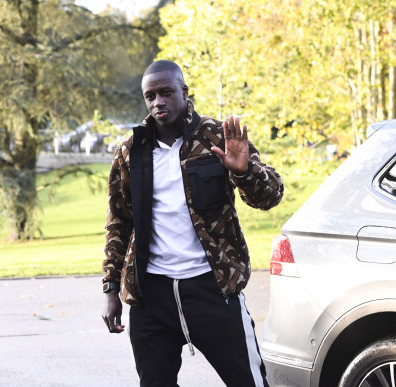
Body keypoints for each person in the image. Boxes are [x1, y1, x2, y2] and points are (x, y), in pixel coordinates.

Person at [101, 60, 284, 387]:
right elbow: (119, 223)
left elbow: (270, 197)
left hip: (213, 288)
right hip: (152, 298)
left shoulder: (217, 136)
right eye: (150, 96)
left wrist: (243, 172)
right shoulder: (131, 152)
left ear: (184, 93)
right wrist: (111, 289)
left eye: (167, 92)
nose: (158, 102)